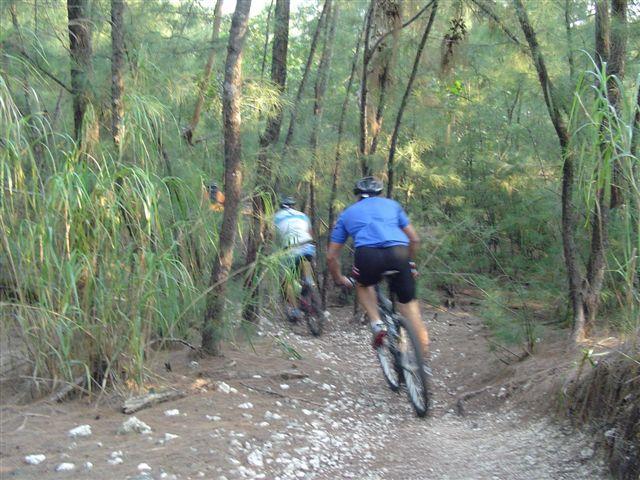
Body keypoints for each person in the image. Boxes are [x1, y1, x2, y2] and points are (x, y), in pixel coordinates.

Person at [326, 176, 429, 351]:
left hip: (368, 255)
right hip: (399, 252)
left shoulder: (347, 214)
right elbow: (415, 239)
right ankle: (422, 364)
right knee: (411, 308)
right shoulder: (392, 205)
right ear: (379, 193)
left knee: (363, 284)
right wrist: (409, 263)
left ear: (357, 195)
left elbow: (331, 256)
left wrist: (339, 278)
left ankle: (376, 323)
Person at [274, 196, 316, 320]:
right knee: (306, 259)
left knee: (287, 281)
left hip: (290, 250)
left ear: (281, 206)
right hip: (307, 246)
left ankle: (295, 310)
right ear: (293, 206)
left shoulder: (275, 217)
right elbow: (309, 233)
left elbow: (274, 239)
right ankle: (308, 280)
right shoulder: (302, 215)